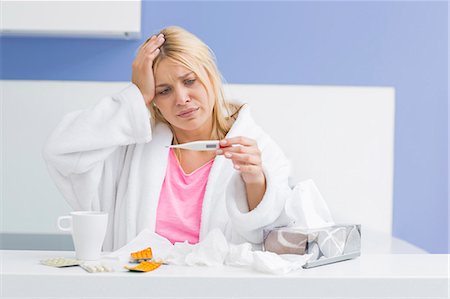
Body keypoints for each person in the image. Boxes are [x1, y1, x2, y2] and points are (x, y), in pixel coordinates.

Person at [43, 26, 295, 251]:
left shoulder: (257, 148)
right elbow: (60, 151)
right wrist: (135, 96)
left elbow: (271, 239)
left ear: (210, 75)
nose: (181, 98)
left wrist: (254, 180)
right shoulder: (132, 150)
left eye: (189, 81)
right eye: (164, 91)